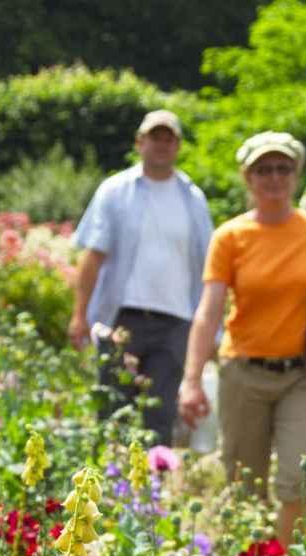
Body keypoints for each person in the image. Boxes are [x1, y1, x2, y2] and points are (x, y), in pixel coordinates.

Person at [179, 131, 306, 551]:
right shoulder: (230, 237)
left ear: (295, 174)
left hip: (302, 374)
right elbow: (209, 311)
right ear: (247, 178)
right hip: (242, 373)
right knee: (243, 480)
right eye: (263, 170)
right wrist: (192, 379)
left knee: (300, 478)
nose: (274, 177)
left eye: (283, 168)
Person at [68, 108, 215, 446]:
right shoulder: (115, 190)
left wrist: (212, 334)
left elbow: (211, 268)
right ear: (140, 142)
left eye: (169, 139)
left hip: (176, 323)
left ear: (177, 146)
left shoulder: (193, 199)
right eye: (155, 137)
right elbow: (92, 255)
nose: (162, 145)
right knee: (112, 411)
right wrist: (80, 316)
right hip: (121, 317)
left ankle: (152, 494)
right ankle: (105, 487)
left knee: (159, 416)